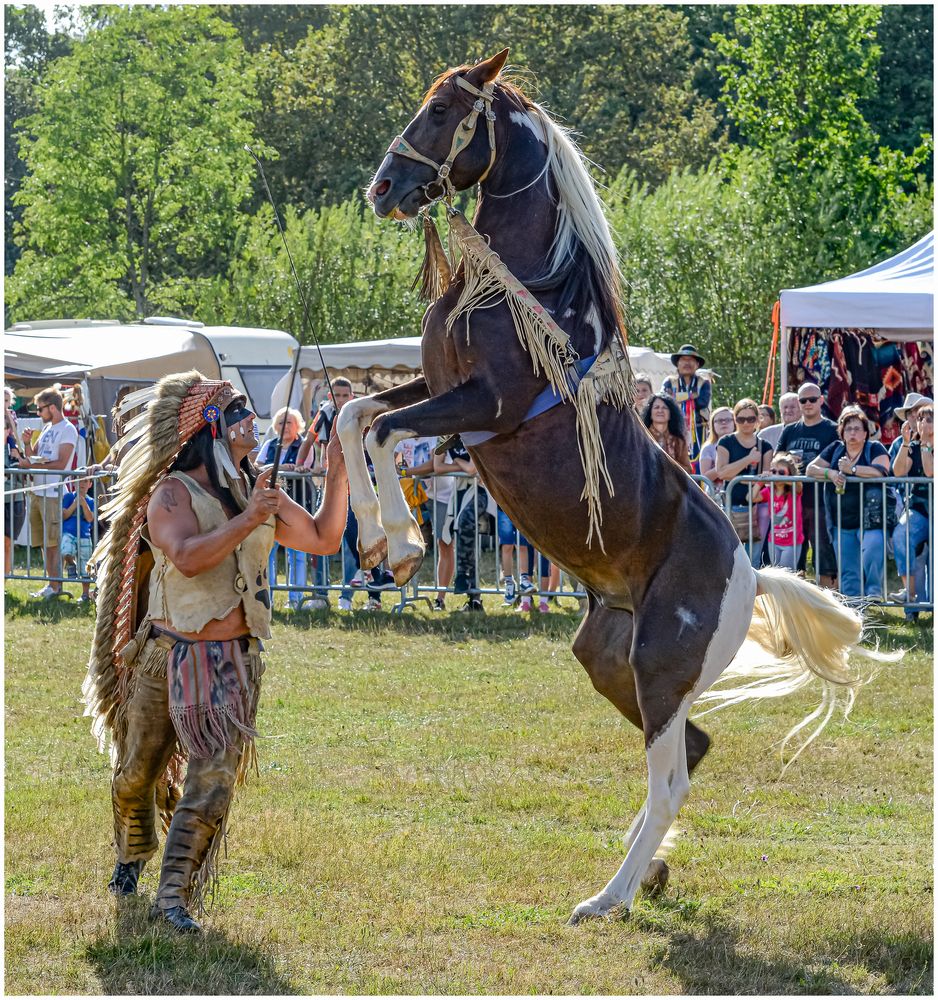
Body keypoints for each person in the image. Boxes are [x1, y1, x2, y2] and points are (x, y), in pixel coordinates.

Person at [82, 371, 348, 934]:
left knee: (213, 780)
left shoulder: (254, 488)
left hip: (231, 662)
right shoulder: (172, 492)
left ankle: (172, 897)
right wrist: (250, 517)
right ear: (210, 428)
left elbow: (324, 538)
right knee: (136, 774)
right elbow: (184, 555)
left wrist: (340, 463)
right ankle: (132, 851)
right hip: (164, 657)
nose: (251, 424)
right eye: (238, 414)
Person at [806, 406, 890, 600]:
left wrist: (852, 469)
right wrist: (831, 473)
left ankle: (874, 591)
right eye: (848, 428)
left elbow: (881, 471)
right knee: (847, 568)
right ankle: (855, 607)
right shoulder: (835, 449)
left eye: (857, 428)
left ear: (865, 433)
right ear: (842, 432)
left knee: (873, 550)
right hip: (841, 521)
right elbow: (811, 469)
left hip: (871, 520)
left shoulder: (875, 448)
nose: (852, 433)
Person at [776, 382, 839, 588]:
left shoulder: (832, 429)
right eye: (803, 400)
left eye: (813, 399)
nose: (808, 403)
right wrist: (787, 459)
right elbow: (777, 458)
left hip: (821, 501)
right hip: (793, 503)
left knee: (824, 556)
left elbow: (837, 460)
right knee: (795, 556)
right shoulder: (789, 431)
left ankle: (829, 602)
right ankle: (797, 600)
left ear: (821, 400)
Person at [18, 387, 79, 598]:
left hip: (53, 492)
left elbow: (62, 463)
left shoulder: (68, 429)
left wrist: (31, 465)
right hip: (38, 491)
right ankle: (52, 584)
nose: (38, 413)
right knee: (45, 543)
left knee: (52, 543)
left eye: (40, 409)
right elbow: (32, 457)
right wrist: (26, 442)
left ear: (52, 407)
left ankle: (55, 586)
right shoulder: (46, 428)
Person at [257, 406, 314, 610]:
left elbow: (307, 467)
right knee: (269, 551)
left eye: (289, 422)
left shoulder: (305, 445)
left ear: (297, 425)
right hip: (271, 505)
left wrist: (295, 469)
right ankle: (268, 599)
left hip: (298, 503)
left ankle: (296, 599)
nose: (285, 426)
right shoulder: (270, 444)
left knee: (297, 552)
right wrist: (280, 468)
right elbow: (257, 466)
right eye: (281, 422)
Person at [713, 398, 773, 565]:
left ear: (757, 420)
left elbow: (766, 478)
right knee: (730, 558)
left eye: (751, 419)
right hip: (730, 507)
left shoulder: (765, 446)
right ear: (735, 420)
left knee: (753, 558)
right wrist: (748, 460)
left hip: (757, 509)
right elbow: (722, 472)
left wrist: (741, 476)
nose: (746, 423)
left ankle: (752, 591)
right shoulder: (726, 442)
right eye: (741, 419)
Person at [890, 402, 933, 618]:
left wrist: (925, 443)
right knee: (901, 535)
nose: (920, 422)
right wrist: (907, 443)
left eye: (926, 418)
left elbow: (930, 471)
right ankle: (910, 594)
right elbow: (897, 472)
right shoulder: (911, 446)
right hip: (919, 509)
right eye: (915, 417)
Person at [662, 344, 711, 468]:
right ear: (677, 364)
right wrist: (691, 395)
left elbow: (702, 402)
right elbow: (666, 401)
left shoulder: (704, 382)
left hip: (699, 429)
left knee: (699, 461)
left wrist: (677, 396)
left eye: (691, 360)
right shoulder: (669, 381)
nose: (687, 363)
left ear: (697, 364)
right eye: (683, 359)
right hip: (674, 429)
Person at [760, 452, 803, 571]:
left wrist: (782, 478)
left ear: (789, 473)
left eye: (781, 472)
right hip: (773, 540)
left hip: (791, 542)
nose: (777, 475)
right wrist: (761, 481)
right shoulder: (769, 490)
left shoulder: (794, 490)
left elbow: (799, 485)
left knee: (786, 574)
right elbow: (751, 497)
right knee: (775, 574)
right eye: (773, 472)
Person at [61, 475, 96, 602]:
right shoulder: (69, 497)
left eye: (85, 481)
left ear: (90, 485)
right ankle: (71, 564)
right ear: (74, 483)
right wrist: (75, 504)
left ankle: (85, 594)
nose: (82, 483)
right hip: (69, 533)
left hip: (84, 535)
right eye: (79, 480)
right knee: (65, 550)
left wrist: (84, 504)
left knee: (85, 566)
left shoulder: (91, 501)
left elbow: (90, 518)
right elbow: (64, 515)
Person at [641, 393, 693, 472]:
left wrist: (669, 464)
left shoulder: (678, 441)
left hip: (671, 483)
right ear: (650, 413)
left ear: (670, 413)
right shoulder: (642, 437)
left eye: (664, 407)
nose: (660, 410)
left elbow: (688, 470)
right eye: (656, 407)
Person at [4, 411, 26, 576]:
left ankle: (4, 579)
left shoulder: (14, 449)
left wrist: (19, 459)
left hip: (15, 499)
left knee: (7, 543)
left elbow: (28, 475)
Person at [699, 407, 736, 492]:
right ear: (713, 425)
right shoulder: (708, 447)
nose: (723, 423)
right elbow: (705, 477)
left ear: (734, 423)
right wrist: (724, 466)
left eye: (728, 420)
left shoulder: (744, 444)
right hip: (716, 496)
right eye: (719, 420)